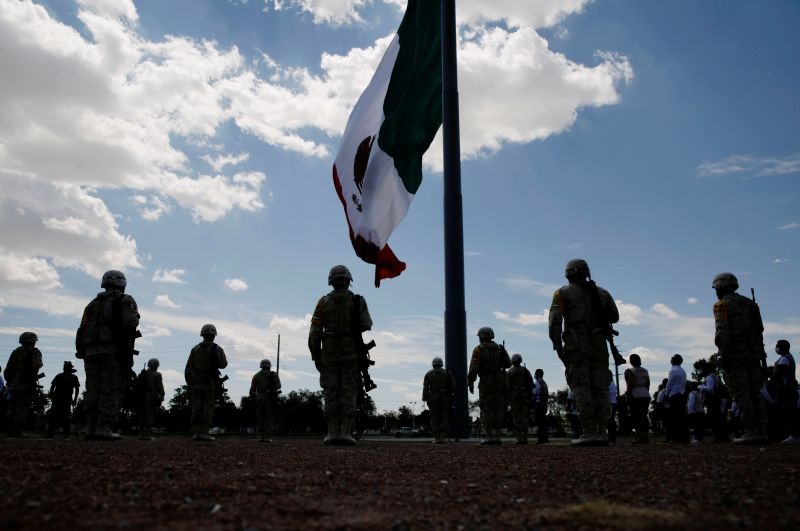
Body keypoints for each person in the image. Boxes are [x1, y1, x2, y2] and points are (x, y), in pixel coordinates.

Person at [549, 258, 620, 446]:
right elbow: (614, 316)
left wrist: (557, 344)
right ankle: (601, 431)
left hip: (576, 345)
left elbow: (555, 320)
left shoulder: (562, 293)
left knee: (581, 386)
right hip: (599, 344)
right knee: (600, 386)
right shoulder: (601, 292)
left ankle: (588, 431)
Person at [308, 265, 373, 446]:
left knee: (331, 392)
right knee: (349, 392)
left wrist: (316, 355)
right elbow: (366, 324)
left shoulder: (322, 302)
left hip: (328, 353)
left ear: (331, 280)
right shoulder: (358, 300)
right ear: (349, 280)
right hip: (351, 351)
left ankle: (332, 433)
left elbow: (314, 333)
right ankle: (346, 433)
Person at [76, 270, 140, 440]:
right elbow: (131, 322)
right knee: (110, 388)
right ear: (122, 283)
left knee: (92, 389)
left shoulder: (92, 304)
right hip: (112, 351)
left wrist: (81, 350)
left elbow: (82, 328)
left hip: (91, 352)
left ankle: (89, 426)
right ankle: (104, 427)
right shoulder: (125, 300)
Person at [712, 272, 769, 444]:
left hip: (735, 355)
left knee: (741, 392)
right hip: (753, 354)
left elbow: (722, 331)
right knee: (755, 391)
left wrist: (723, 353)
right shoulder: (750, 304)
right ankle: (763, 429)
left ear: (720, 287)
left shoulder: (721, 305)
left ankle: (751, 429)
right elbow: (760, 328)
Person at [468, 327, 511, 445]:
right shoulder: (499, 349)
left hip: (486, 383)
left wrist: (471, 382)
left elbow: (474, 368)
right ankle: (497, 436)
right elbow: (508, 364)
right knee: (497, 409)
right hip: (499, 383)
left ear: (482, 336)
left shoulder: (479, 349)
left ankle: (489, 436)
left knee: (486, 409)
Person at [185, 324, 228, 441]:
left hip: (196, 384)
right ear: (214, 335)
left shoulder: (195, 349)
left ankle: (196, 432)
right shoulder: (217, 348)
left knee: (196, 407)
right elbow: (223, 364)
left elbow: (188, 368)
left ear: (202, 334)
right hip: (210, 383)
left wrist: (191, 383)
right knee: (207, 407)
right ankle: (204, 432)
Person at [3, 332, 43, 437]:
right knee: (23, 406)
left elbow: (8, 369)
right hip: (27, 383)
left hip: (14, 383)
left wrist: (10, 381)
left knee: (12, 406)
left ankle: (8, 431)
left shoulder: (16, 352)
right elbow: (37, 366)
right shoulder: (35, 352)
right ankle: (16, 431)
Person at [768, 340, 799, 443]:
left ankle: (794, 435)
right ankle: (793, 435)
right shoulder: (788, 358)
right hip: (789, 389)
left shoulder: (784, 359)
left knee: (789, 412)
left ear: (782, 347)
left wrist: (771, 382)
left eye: (777, 346)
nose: (776, 348)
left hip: (787, 390)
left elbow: (778, 375)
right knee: (789, 412)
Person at [422, 357, 455, 444]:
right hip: (445, 398)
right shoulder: (447, 373)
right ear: (441, 363)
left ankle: (437, 438)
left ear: (433, 364)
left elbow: (425, 387)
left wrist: (424, 398)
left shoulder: (428, 374)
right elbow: (453, 385)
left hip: (432, 398)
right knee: (444, 418)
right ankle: (443, 437)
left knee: (434, 418)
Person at [250, 359, 281, 443]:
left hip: (260, 398)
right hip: (270, 398)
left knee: (260, 417)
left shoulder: (256, 375)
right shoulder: (274, 375)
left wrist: (256, 397)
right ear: (269, 366)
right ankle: (266, 436)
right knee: (268, 417)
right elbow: (278, 386)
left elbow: (252, 389)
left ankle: (261, 436)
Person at [46, 361, 80, 438]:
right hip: (57, 398)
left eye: (67, 367)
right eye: (65, 367)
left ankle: (66, 434)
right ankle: (50, 434)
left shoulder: (74, 377)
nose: (65, 368)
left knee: (66, 417)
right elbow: (53, 386)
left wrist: (75, 399)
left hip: (67, 399)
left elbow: (77, 389)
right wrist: (51, 394)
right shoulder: (59, 376)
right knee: (54, 416)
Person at [505, 355, 533, 444]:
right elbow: (531, 383)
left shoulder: (509, 372)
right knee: (524, 417)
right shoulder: (525, 370)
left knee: (516, 418)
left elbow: (507, 386)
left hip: (514, 397)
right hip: (524, 396)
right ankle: (525, 438)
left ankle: (519, 438)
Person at [624, 353, 650, 443]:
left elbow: (630, 383)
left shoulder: (629, 371)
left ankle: (639, 437)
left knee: (636, 416)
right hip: (645, 394)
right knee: (644, 416)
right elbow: (648, 384)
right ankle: (645, 436)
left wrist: (628, 394)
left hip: (635, 394)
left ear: (631, 362)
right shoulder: (645, 371)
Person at [136, 358, 165, 440]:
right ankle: (147, 434)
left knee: (142, 414)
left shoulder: (143, 374)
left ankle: (141, 434)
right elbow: (160, 387)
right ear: (156, 365)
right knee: (150, 414)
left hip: (141, 397)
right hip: (151, 397)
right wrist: (162, 396)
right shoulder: (157, 375)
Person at [666, 354, 688, 443]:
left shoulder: (673, 370)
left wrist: (668, 394)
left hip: (674, 394)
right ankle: (684, 437)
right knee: (682, 416)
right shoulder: (683, 371)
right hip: (682, 393)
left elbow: (669, 384)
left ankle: (676, 437)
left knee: (674, 417)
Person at [532, 368, 549, 444]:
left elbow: (533, 393)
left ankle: (540, 439)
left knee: (539, 422)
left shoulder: (537, 383)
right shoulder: (544, 383)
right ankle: (545, 438)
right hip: (544, 404)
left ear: (537, 374)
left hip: (538, 405)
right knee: (543, 422)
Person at [607, 371, 619, 444]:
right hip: (613, 403)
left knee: (610, 421)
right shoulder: (613, 384)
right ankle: (612, 437)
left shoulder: (608, 384)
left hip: (610, 403)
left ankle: (611, 437)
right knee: (611, 421)